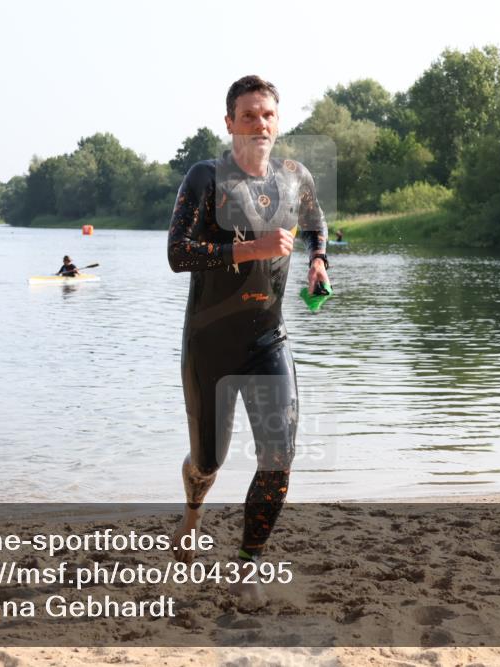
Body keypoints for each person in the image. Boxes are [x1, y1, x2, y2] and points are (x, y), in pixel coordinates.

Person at [167, 75, 329, 607]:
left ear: (277, 123)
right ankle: (193, 508)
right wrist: (250, 249)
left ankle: (246, 564)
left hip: (268, 338)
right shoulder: (205, 178)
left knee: (279, 457)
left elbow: (316, 222)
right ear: (230, 123)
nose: (260, 124)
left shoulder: (294, 177)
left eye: (268, 115)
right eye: (249, 115)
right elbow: (179, 254)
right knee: (208, 462)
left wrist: (318, 262)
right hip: (209, 344)